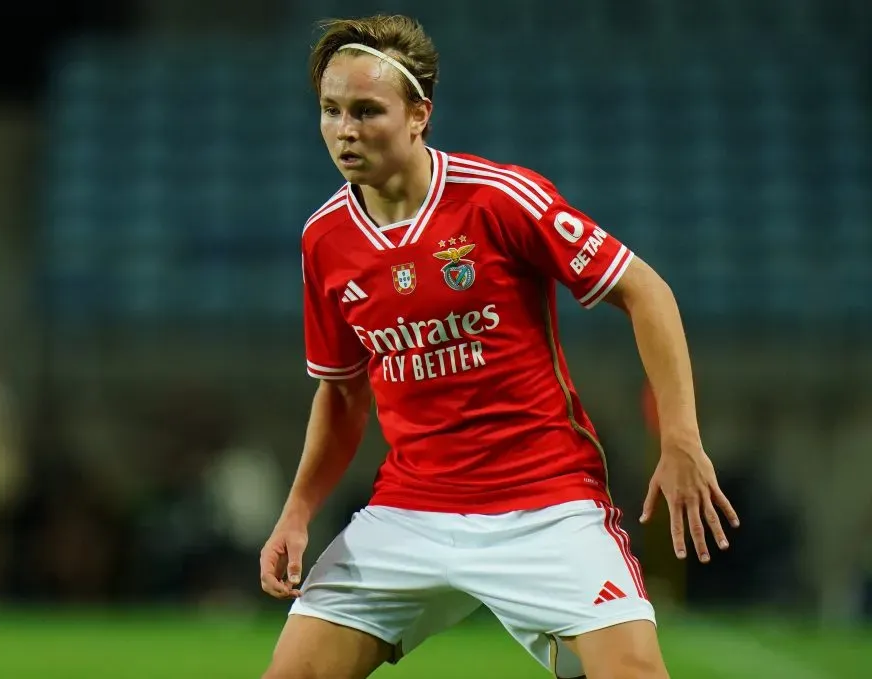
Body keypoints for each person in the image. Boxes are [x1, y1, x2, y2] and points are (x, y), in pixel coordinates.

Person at [259, 14, 739, 679]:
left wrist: (681, 438)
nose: (345, 129)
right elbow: (342, 390)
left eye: (367, 110)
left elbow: (646, 290)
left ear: (419, 114)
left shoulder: (498, 199)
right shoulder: (325, 238)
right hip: (411, 511)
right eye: (331, 110)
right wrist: (296, 512)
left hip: (546, 505)